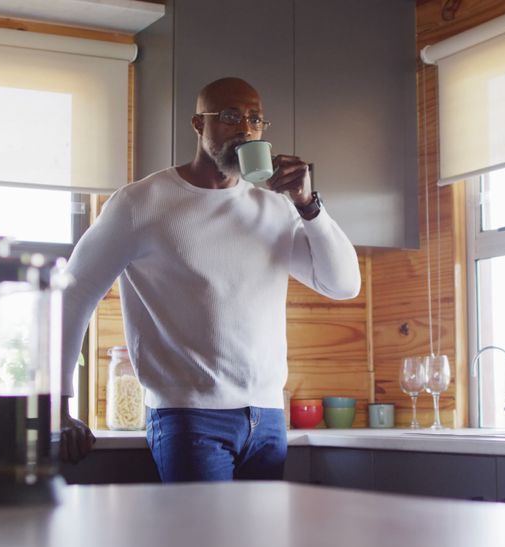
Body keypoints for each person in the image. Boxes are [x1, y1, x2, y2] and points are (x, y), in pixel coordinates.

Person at [58, 77, 361, 481]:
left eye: (255, 120)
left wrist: (308, 205)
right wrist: (58, 408)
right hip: (188, 417)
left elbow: (343, 285)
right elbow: (73, 295)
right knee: (203, 545)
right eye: (231, 116)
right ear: (198, 124)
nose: (245, 129)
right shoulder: (140, 203)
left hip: (269, 417)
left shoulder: (275, 207)